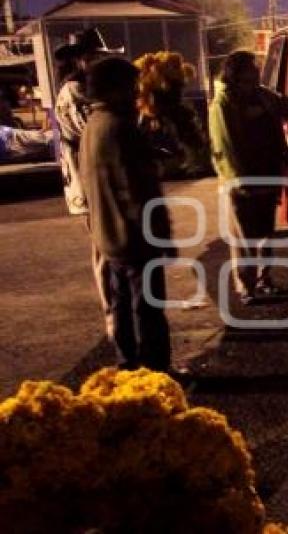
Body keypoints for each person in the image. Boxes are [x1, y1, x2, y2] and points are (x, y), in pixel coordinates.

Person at [79, 57, 172, 371]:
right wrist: (160, 235)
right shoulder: (120, 128)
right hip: (135, 235)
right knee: (148, 308)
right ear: (115, 89)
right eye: (131, 86)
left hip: (108, 234)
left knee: (121, 305)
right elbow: (138, 190)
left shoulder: (93, 125)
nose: (136, 93)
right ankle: (157, 370)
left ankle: (127, 365)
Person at [53, 27, 123, 340]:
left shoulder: (86, 90)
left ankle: (116, 310)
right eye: (95, 57)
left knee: (109, 245)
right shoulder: (75, 92)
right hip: (88, 180)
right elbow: (92, 129)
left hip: (96, 176)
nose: (99, 63)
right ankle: (111, 313)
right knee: (102, 248)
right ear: (82, 60)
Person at [208, 50, 288, 305]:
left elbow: (286, 107)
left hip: (267, 175)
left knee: (265, 231)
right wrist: (236, 178)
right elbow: (224, 144)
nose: (257, 71)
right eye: (252, 68)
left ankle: (265, 279)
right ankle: (247, 285)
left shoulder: (263, 96)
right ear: (237, 72)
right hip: (241, 180)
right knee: (243, 236)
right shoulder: (223, 103)